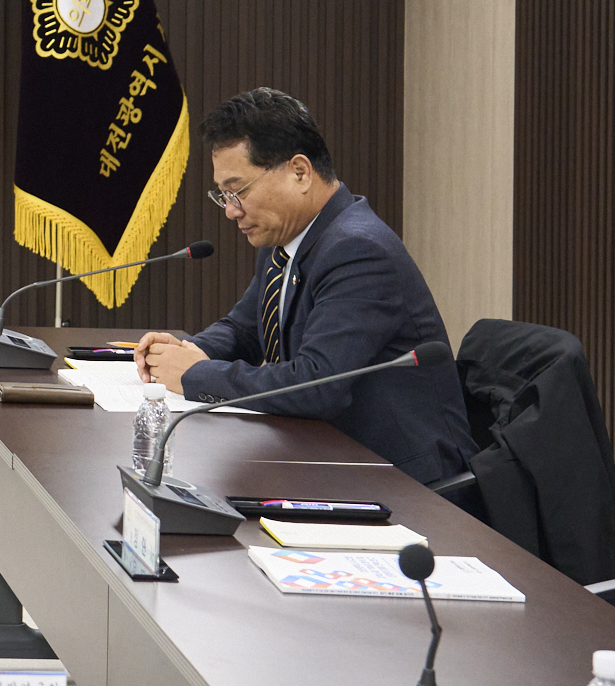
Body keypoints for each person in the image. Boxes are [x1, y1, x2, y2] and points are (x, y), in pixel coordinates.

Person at [135, 88, 475, 483]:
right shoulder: (285, 238)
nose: (230, 211)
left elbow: (316, 384)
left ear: (300, 172)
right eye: (223, 195)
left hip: (405, 481)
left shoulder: (359, 250)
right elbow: (245, 328)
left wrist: (195, 374)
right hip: (326, 456)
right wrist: (191, 350)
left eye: (238, 191)